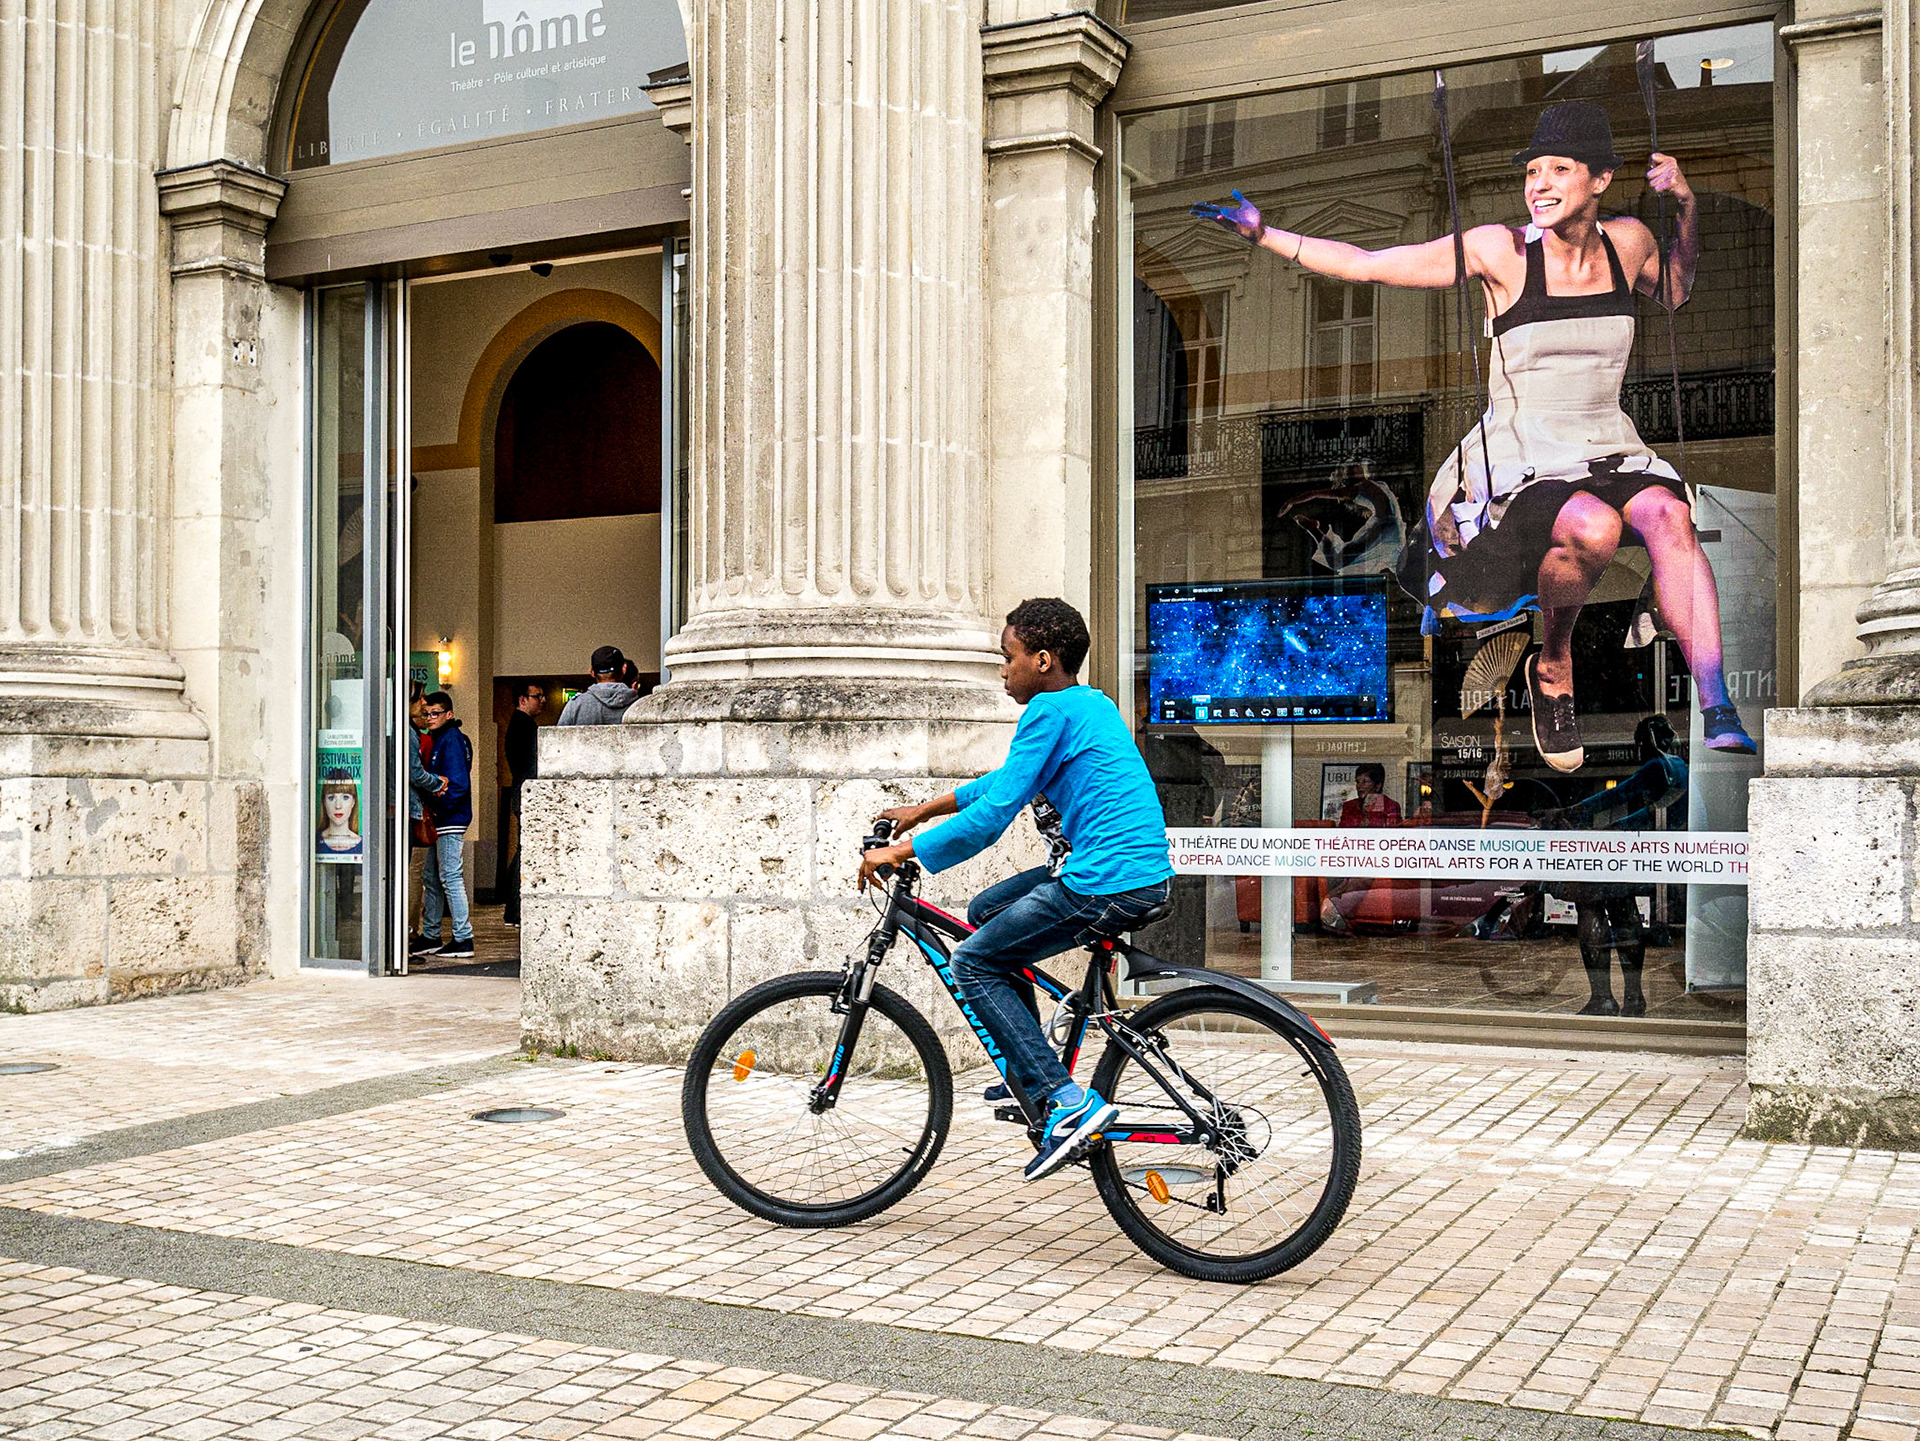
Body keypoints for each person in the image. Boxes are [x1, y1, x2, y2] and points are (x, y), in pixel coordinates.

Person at [1193, 101, 1756, 773]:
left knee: (1669, 514)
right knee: (1595, 527)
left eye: (1559, 169)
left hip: (1608, 440)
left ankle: (1716, 701)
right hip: (1528, 456)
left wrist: (1686, 208)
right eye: (1533, 172)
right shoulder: (1503, 251)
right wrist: (1266, 235)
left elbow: (1676, 289)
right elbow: (1373, 263)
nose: (1540, 184)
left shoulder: (1628, 242)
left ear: (1601, 179)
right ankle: (1553, 665)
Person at [857, 598, 1173, 1182]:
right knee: (986, 910)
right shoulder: (1089, 703)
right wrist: (923, 810)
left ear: (1042, 660)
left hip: (1104, 881)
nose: (1003, 670)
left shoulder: (1047, 712)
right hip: (1133, 873)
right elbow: (1008, 781)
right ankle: (1030, 1070)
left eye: (1009, 657)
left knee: (973, 963)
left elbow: (994, 815)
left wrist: (901, 852)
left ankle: (1067, 1101)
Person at [1544, 713, 1689, 1016]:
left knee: (1590, 904)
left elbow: (1617, 796)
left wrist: (1573, 812)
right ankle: (1634, 998)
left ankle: (1603, 998)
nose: (1638, 750)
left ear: (1646, 743)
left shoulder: (1657, 765)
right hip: (1655, 850)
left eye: (1640, 743)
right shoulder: (1680, 766)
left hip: (1642, 846)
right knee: (1624, 911)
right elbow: (1658, 810)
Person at [420, 690, 475, 959]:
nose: (430, 718)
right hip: (444, 819)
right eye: (427, 714)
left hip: (449, 820)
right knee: (431, 876)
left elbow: (457, 785)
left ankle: (463, 938)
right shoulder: (445, 738)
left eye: (436, 713)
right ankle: (431, 935)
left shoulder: (451, 739)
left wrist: (437, 807)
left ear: (449, 714)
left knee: (450, 877)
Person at [500, 681, 545, 928]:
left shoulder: (519, 725)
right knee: (525, 851)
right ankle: (515, 908)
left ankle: (513, 907)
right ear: (522, 699)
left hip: (521, 792)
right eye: (537, 696)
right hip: (527, 794)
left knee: (522, 850)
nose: (542, 700)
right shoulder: (524, 726)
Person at [406, 680, 446, 953]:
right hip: (409, 811)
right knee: (412, 873)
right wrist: (438, 783)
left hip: (404, 809)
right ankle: (407, 932)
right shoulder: (409, 734)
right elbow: (414, 773)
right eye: (420, 699)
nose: (424, 705)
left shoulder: (406, 731)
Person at [557, 645, 639, 726]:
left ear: (592, 672)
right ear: (624, 669)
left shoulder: (575, 705)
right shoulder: (638, 706)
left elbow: (558, 734)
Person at [317, 771, 362, 855]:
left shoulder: (364, 844)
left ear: (353, 802)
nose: (338, 806)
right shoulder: (314, 841)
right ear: (324, 802)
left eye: (345, 797)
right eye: (331, 798)